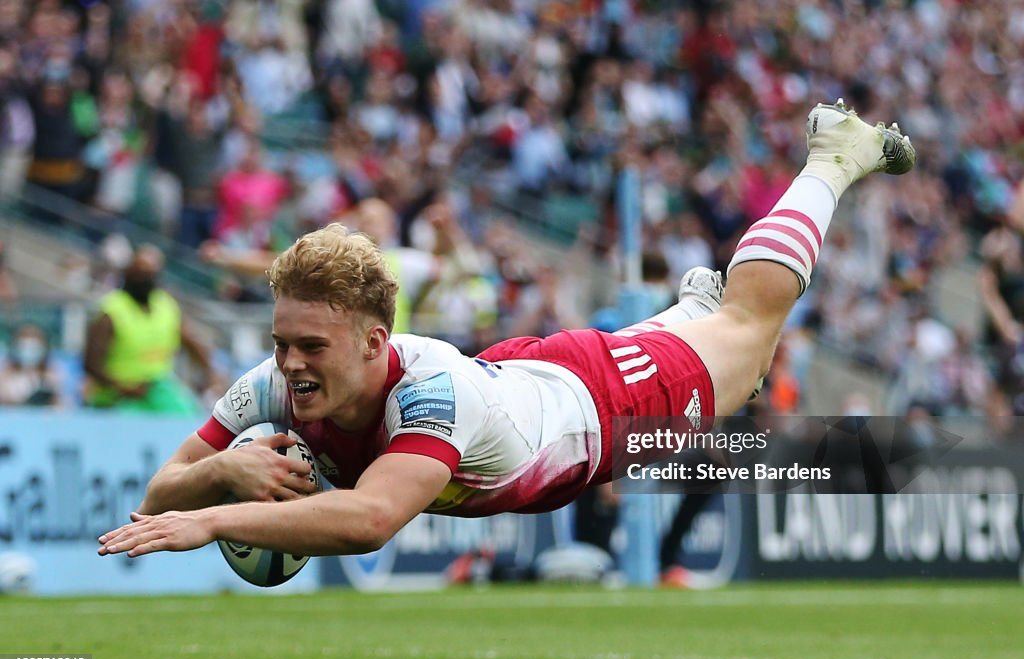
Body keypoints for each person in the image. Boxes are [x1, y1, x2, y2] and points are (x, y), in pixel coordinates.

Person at [98, 99, 915, 560]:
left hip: (600, 408)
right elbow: (156, 495)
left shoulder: (428, 397)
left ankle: (831, 157)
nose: (291, 364)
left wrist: (213, 518)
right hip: (522, 378)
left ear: (374, 344)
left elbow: (369, 519)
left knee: (752, 332)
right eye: (284, 343)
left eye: (312, 346)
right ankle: (691, 313)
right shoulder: (274, 385)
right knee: (731, 345)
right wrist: (225, 475)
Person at [83, 244, 215, 414]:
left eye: (149, 274)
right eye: (139, 273)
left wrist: (210, 374)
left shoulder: (166, 305)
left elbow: (190, 342)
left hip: (158, 389)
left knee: (191, 420)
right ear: (128, 274)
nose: (144, 279)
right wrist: (125, 388)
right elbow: (91, 364)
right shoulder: (111, 310)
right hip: (118, 396)